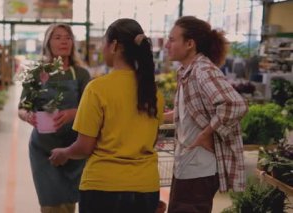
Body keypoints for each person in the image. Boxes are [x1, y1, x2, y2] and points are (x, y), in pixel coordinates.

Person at [49, 18, 165, 213]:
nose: (101, 48)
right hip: (146, 187)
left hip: (103, 188)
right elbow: (152, 140)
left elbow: (85, 147)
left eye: (103, 42)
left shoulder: (97, 89)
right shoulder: (153, 93)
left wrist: (65, 152)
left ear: (114, 46)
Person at [163, 16, 248, 213]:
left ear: (190, 44)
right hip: (188, 164)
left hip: (199, 168)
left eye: (172, 39)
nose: (167, 44)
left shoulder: (203, 70)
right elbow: (189, 110)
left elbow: (235, 104)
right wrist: (161, 116)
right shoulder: (187, 71)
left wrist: (206, 133)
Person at [18, 23, 90, 213]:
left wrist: (70, 114)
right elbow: (22, 107)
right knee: (50, 204)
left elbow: (90, 109)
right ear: (48, 42)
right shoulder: (36, 73)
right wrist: (28, 116)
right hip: (44, 149)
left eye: (67, 37)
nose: (64, 41)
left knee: (68, 202)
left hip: (73, 148)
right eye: (57, 37)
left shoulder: (81, 74)